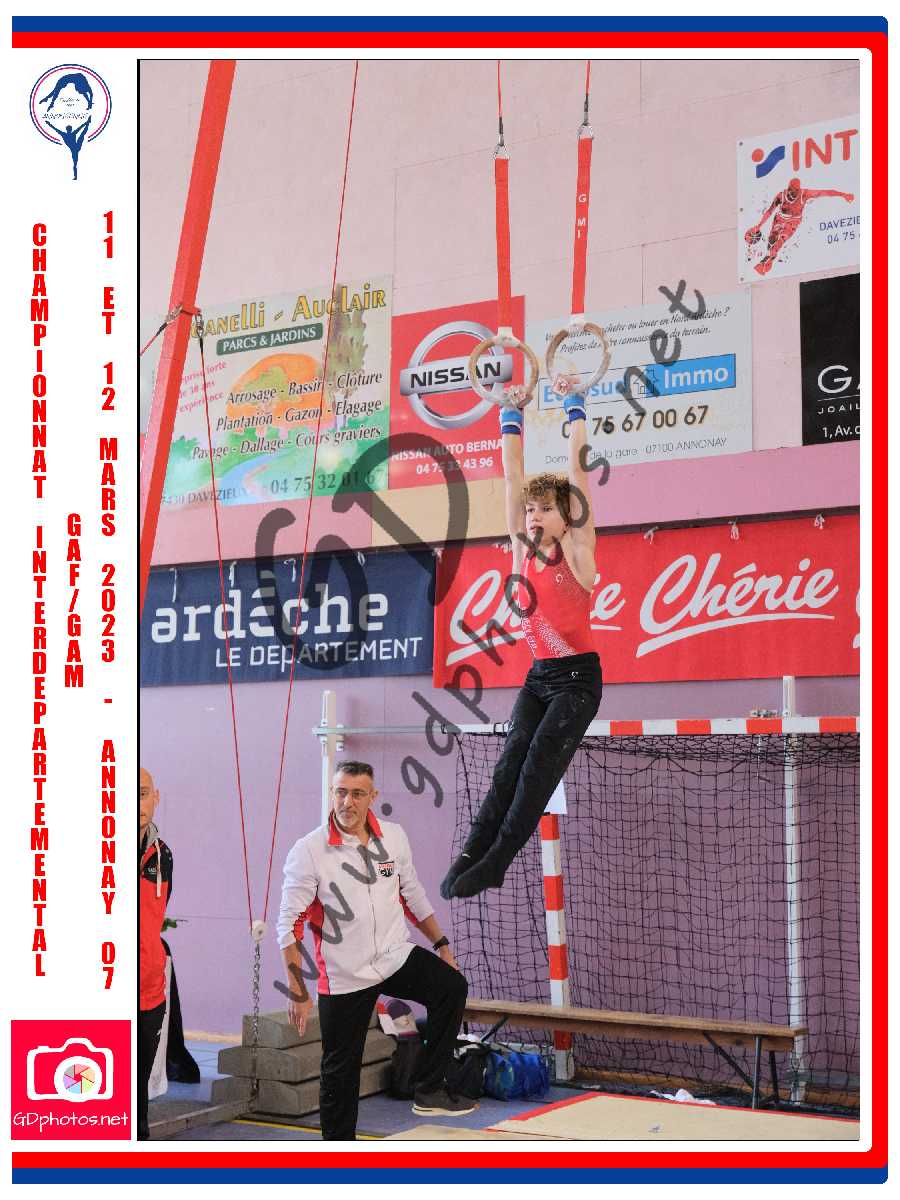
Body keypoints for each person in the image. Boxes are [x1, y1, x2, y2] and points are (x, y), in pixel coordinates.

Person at [441, 380, 603, 899]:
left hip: (577, 682)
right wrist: (510, 415)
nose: (533, 516)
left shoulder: (577, 550)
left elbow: (578, 474)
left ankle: (499, 860)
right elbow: (512, 475)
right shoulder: (521, 550)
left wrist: (575, 406)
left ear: (567, 516)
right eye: (530, 510)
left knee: (536, 770)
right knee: (509, 762)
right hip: (539, 679)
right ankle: (473, 851)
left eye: (545, 509)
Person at [277, 761, 475, 1140]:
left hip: (393, 956)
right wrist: (297, 988)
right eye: (340, 792)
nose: (347, 802)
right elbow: (289, 924)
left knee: (451, 987)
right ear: (332, 793)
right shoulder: (309, 851)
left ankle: (429, 1088)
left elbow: (411, 893)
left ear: (372, 797)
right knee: (341, 1068)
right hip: (345, 974)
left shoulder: (393, 837)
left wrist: (441, 944)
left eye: (357, 794)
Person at [139, 767, 173, 1140]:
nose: (137, 803)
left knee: (137, 1094)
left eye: (143, 793)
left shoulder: (163, 857)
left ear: (156, 797)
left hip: (149, 995)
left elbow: (155, 920)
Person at [744, 175, 854, 275]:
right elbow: (769, 211)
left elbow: (825, 192)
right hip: (779, 219)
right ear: (788, 188)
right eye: (790, 191)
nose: (792, 194)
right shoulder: (781, 196)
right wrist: (758, 226)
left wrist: (843, 195)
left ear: (798, 190)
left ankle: (765, 265)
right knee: (771, 241)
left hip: (793, 222)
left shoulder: (804, 194)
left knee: (779, 243)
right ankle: (768, 257)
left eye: (795, 191)